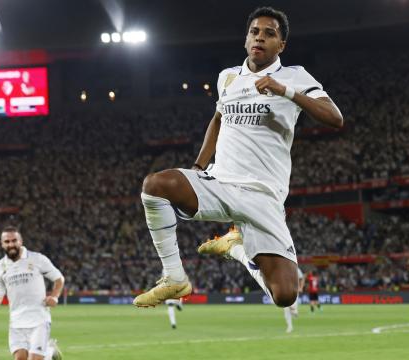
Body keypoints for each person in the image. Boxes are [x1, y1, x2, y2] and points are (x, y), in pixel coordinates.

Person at [133, 6, 343, 308]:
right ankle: (175, 277)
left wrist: (285, 92)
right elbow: (218, 120)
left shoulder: (294, 76)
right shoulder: (228, 78)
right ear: (246, 39)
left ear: (280, 45)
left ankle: (236, 248)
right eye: (254, 32)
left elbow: (335, 118)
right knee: (155, 185)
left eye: (269, 34)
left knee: (285, 295)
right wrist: (198, 168)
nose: (260, 38)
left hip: (264, 195)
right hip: (221, 181)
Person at [0, 226, 64, 360]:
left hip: (39, 320)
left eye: (14, 240)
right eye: (7, 242)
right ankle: (49, 353)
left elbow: (59, 279)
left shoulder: (37, 259)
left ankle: (47, 353)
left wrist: (54, 297)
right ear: (2, 244)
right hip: (17, 322)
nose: (11, 244)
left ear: (21, 241)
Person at [284, 266, 304, 333]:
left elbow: (301, 278)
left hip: (294, 291)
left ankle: (294, 311)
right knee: (286, 309)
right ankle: (290, 326)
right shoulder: (282, 269)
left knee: (293, 309)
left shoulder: (296, 269)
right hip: (285, 291)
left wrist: (301, 287)